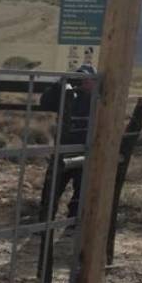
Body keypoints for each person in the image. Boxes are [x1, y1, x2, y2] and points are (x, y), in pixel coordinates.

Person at [38, 63, 96, 222]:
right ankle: (45, 222)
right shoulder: (67, 95)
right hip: (63, 149)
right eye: (79, 78)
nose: (82, 82)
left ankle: (74, 222)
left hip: (86, 149)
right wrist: (61, 84)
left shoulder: (99, 98)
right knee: (52, 188)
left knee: (81, 189)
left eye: (86, 79)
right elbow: (45, 102)